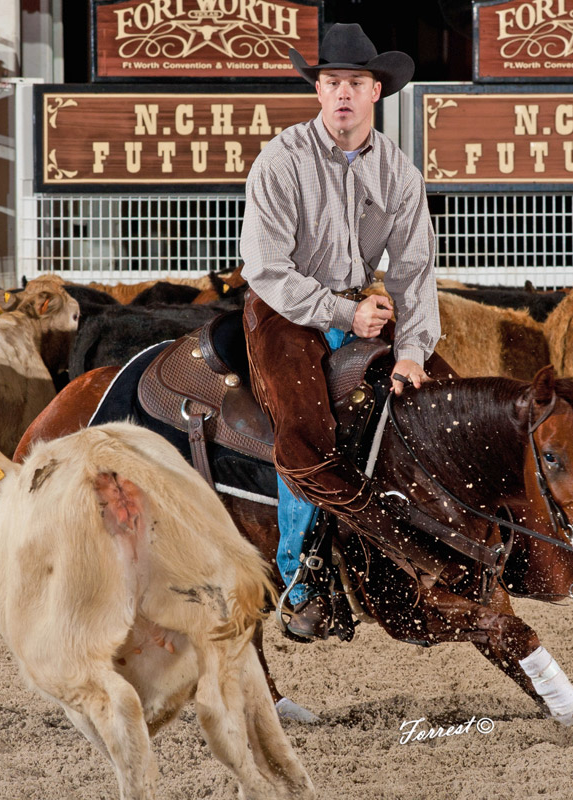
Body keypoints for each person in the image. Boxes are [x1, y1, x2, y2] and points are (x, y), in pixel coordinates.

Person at [240, 23, 443, 641]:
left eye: (355, 82)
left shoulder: (399, 173)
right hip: (282, 308)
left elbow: (414, 271)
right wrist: (342, 313)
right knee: (304, 420)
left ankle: (425, 558)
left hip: (360, 306)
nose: (343, 94)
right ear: (319, 93)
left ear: (376, 91)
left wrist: (411, 351)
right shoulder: (281, 160)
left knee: (434, 404)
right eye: (332, 83)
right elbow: (266, 267)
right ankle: (298, 579)